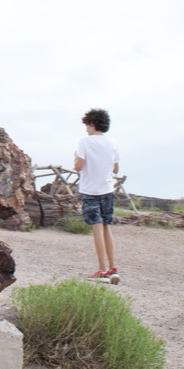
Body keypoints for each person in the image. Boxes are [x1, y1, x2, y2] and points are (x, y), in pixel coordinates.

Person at [73, 108, 120, 282]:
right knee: (107, 227)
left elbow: (78, 166)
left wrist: (74, 158)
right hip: (107, 189)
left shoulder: (85, 141)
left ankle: (102, 270)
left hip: (90, 190)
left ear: (92, 124)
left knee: (97, 227)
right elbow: (115, 168)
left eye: (87, 125)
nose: (86, 129)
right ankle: (113, 268)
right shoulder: (112, 142)